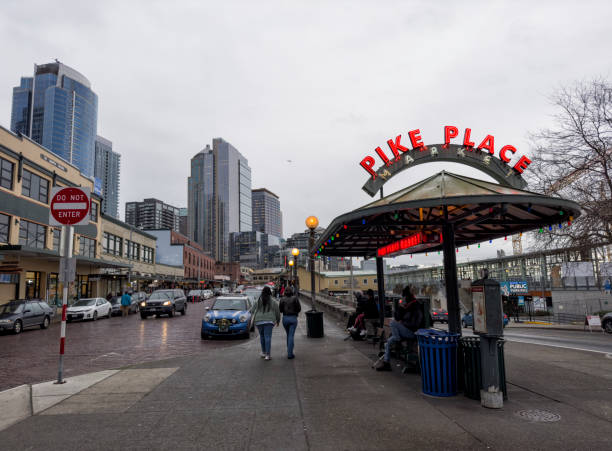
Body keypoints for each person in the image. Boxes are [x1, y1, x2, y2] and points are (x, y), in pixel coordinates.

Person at [376, 286, 423, 371]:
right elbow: (397, 317)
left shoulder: (416, 306)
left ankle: (396, 338)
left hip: (413, 332)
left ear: (407, 296)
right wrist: (401, 307)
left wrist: (403, 323)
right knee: (389, 342)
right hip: (406, 331)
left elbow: (415, 324)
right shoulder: (407, 306)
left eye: (404, 297)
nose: (403, 299)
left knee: (392, 323)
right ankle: (386, 363)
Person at [250, 286, 280, 360]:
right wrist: (278, 320)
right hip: (269, 321)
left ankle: (263, 352)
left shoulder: (258, 300)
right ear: (270, 292)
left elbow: (252, 310)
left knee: (262, 337)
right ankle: (267, 355)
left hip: (259, 321)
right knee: (268, 337)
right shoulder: (273, 301)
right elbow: (277, 312)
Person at [279, 286, 301, 359]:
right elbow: (299, 308)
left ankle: (289, 351)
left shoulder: (282, 299)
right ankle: (290, 353)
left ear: (285, 292)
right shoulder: (295, 298)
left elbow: (281, 310)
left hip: (285, 318)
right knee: (291, 336)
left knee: (288, 335)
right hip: (293, 318)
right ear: (291, 291)